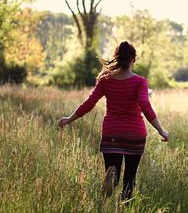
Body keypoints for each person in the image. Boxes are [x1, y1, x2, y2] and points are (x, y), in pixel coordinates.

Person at [58, 41, 169, 201]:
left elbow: (89, 103)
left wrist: (69, 119)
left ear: (116, 58)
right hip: (134, 134)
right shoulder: (140, 81)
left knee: (113, 172)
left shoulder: (105, 80)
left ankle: (111, 182)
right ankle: (125, 203)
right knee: (130, 180)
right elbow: (145, 106)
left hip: (112, 134)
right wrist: (161, 130)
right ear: (133, 60)